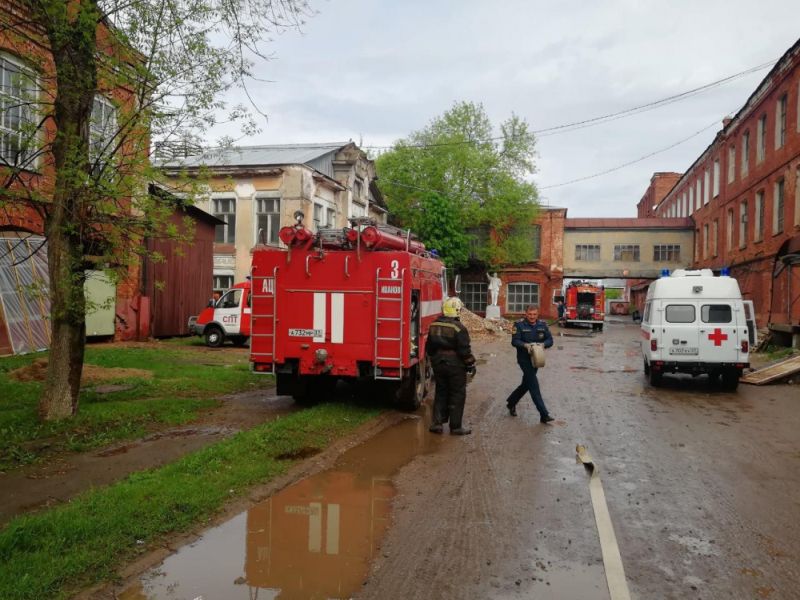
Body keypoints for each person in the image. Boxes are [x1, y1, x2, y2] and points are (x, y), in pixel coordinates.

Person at [426, 297, 476, 435]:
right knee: (457, 394)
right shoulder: (459, 328)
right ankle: (455, 427)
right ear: (457, 310)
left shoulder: (433, 325)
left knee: (441, 392)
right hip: (455, 365)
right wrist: (471, 364)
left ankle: (437, 424)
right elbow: (464, 351)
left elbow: (429, 347)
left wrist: (434, 360)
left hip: (438, 364)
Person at [505, 305, 554, 423]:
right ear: (526, 314)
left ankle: (511, 402)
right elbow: (514, 341)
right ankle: (544, 414)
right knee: (533, 384)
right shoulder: (519, 325)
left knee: (526, 384)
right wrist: (525, 345)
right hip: (524, 359)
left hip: (537, 358)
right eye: (530, 314)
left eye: (534, 314)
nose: (532, 317)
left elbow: (550, 340)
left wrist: (543, 345)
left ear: (538, 314)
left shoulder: (543, 325)